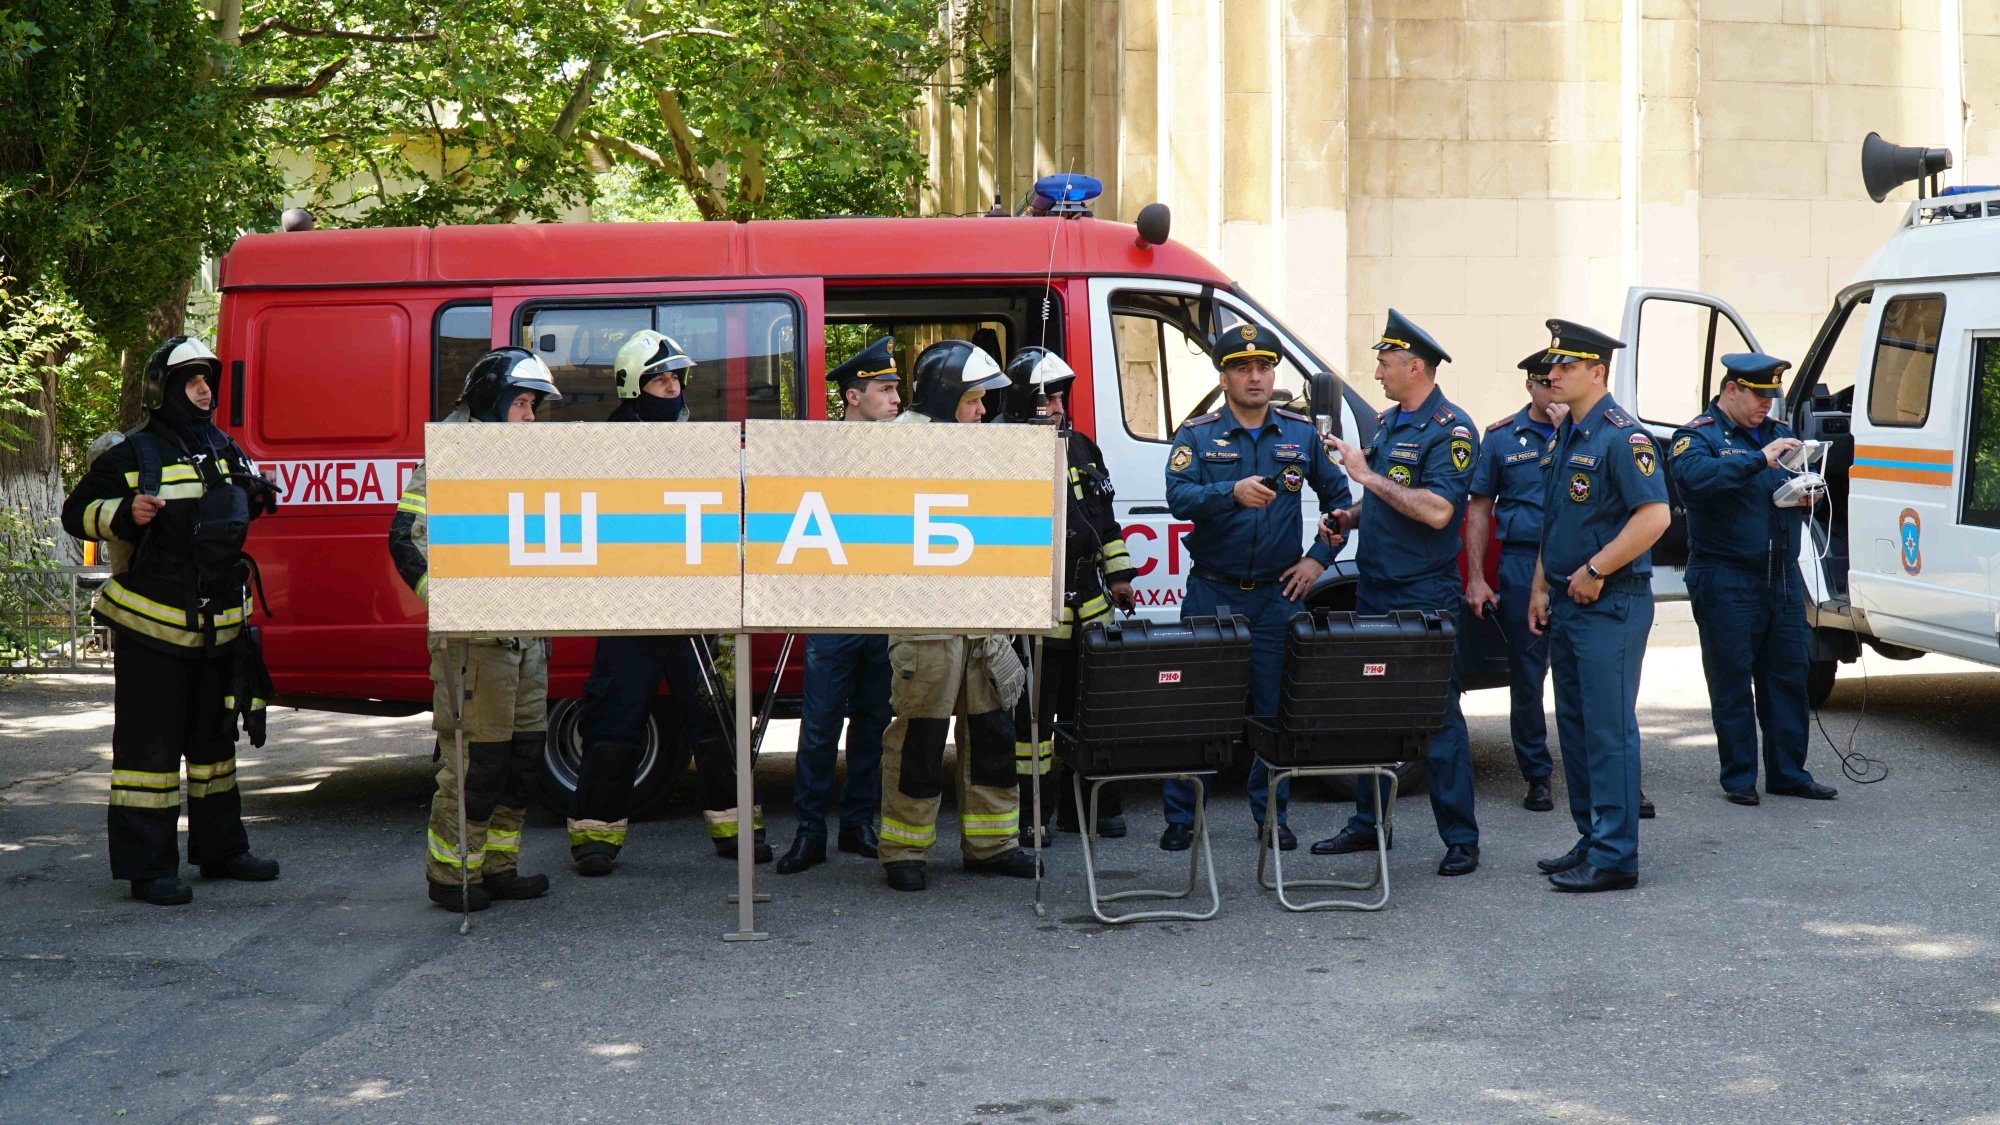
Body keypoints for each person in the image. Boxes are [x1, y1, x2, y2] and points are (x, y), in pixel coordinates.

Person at [61, 336, 282, 906]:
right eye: (192, 381)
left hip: (218, 627)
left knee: (214, 749)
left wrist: (258, 495)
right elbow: (75, 513)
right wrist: (122, 513)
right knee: (149, 756)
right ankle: (149, 869)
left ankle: (222, 850)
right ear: (164, 389)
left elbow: (231, 514)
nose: (205, 391)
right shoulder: (134, 453)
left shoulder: (224, 447)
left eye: (208, 380)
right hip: (151, 629)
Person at [567, 330, 771, 877]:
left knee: (717, 722)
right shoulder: (602, 448)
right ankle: (595, 837)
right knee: (614, 725)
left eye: (677, 378)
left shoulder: (704, 444)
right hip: (629, 610)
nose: (673, 388)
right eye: (660, 380)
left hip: (697, 609)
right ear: (634, 389)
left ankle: (736, 831)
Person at [1161, 322, 1351, 854]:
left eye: (1264, 367)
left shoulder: (1299, 434)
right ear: (1223, 377)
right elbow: (1178, 497)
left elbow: (1340, 505)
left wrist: (1318, 561)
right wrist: (1230, 492)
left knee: (1273, 712)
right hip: (1213, 591)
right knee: (1195, 707)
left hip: (1276, 595)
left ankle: (1272, 816)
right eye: (1243, 368)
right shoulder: (1197, 434)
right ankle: (1181, 818)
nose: (1255, 376)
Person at [1311, 310, 1482, 877]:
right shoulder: (1388, 425)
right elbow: (1386, 498)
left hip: (1424, 595)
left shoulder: (1452, 430)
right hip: (1376, 588)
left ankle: (1460, 838)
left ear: (1415, 367)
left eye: (1385, 364)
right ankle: (1367, 824)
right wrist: (1349, 514)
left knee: (1437, 717)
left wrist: (1364, 476)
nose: (1377, 372)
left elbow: (1437, 511)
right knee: (1369, 709)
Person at [390, 346, 561, 911]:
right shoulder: (449, 459)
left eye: (534, 406)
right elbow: (405, 542)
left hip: (526, 640)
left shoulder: (522, 459)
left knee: (522, 762)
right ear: (494, 400)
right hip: (475, 645)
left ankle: (498, 867)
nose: (532, 419)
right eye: (524, 405)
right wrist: (457, 607)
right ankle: (451, 876)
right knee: (476, 768)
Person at [877, 338, 1037, 892]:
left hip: (984, 617)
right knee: (920, 737)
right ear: (946, 398)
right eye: (974, 401)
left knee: (993, 733)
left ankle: (993, 845)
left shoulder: (984, 445)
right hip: (924, 619)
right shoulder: (891, 448)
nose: (985, 411)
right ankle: (905, 850)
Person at [1526, 320, 1670, 893]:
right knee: (1579, 727)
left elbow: (1654, 517)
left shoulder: (1621, 435)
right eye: (1551, 368)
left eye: (1565, 367)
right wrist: (1541, 585)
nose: (1552, 375)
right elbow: (1557, 519)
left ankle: (1616, 855)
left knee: (1609, 730)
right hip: (1570, 600)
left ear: (1597, 373)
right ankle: (1592, 835)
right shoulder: (1571, 433)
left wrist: (1594, 569)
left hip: (1612, 601)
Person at [1670, 352, 1837, 806]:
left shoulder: (1781, 435)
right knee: (1731, 679)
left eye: (1771, 396)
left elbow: (1790, 488)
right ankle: (1739, 776)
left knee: (1787, 675)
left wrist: (1806, 495)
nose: (1767, 404)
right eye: (1758, 395)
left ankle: (1788, 772)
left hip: (1780, 574)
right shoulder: (1698, 437)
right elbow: (1694, 479)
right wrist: (1756, 461)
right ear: (1731, 390)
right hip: (1725, 575)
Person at [996, 346, 1138, 842]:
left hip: (1092, 603)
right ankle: (1033, 814)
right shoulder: (1002, 453)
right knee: (1031, 724)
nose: (1058, 408)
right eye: (1047, 400)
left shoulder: (1082, 447)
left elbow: (1106, 520)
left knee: (1094, 711)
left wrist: (1119, 577)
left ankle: (1094, 806)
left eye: (1061, 398)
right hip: (1036, 609)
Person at [774, 337, 899, 874]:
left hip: (883, 606)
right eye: (885, 389)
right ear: (853, 396)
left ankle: (856, 826)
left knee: (873, 722)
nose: (896, 398)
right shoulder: (817, 452)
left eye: (896, 388)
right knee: (820, 724)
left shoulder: (908, 450)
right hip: (831, 606)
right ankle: (809, 834)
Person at [1463, 352, 1568, 812]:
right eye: (1547, 382)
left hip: (1580, 564)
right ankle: (1537, 775)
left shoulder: (1590, 432)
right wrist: (1476, 578)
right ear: (1530, 385)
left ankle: (1609, 774)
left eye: (1560, 379)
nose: (1555, 389)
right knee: (1527, 676)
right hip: (1523, 565)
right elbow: (1479, 508)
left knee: (1590, 675)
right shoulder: (1503, 437)